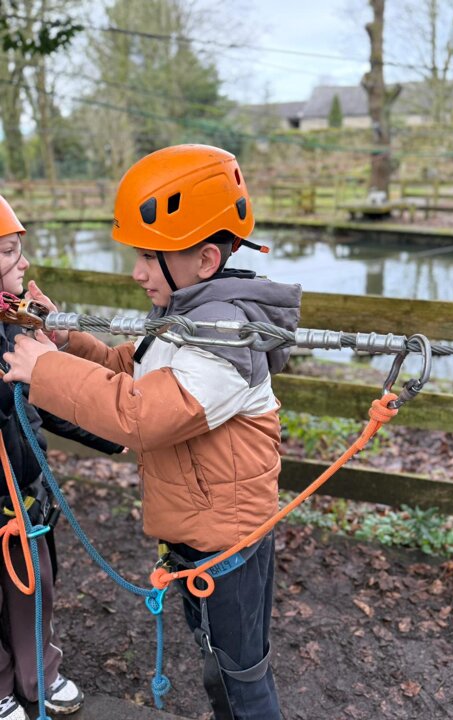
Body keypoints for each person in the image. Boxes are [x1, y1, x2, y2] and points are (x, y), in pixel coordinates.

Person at [3, 145, 302, 720]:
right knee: (220, 661)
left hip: (226, 545)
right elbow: (130, 371)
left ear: (206, 259)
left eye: (147, 256)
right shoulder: (193, 313)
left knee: (240, 676)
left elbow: (142, 415)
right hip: (202, 534)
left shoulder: (225, 337)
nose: (137, 272)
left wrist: (45, 370)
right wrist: (66, 344)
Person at [0, 195, 125, 720]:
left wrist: (113, 434)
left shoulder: (14, 328)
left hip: (24, 498)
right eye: (8, 252)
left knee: (36, 588)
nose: (24, 263)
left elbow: (46, 400)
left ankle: (39, 674)